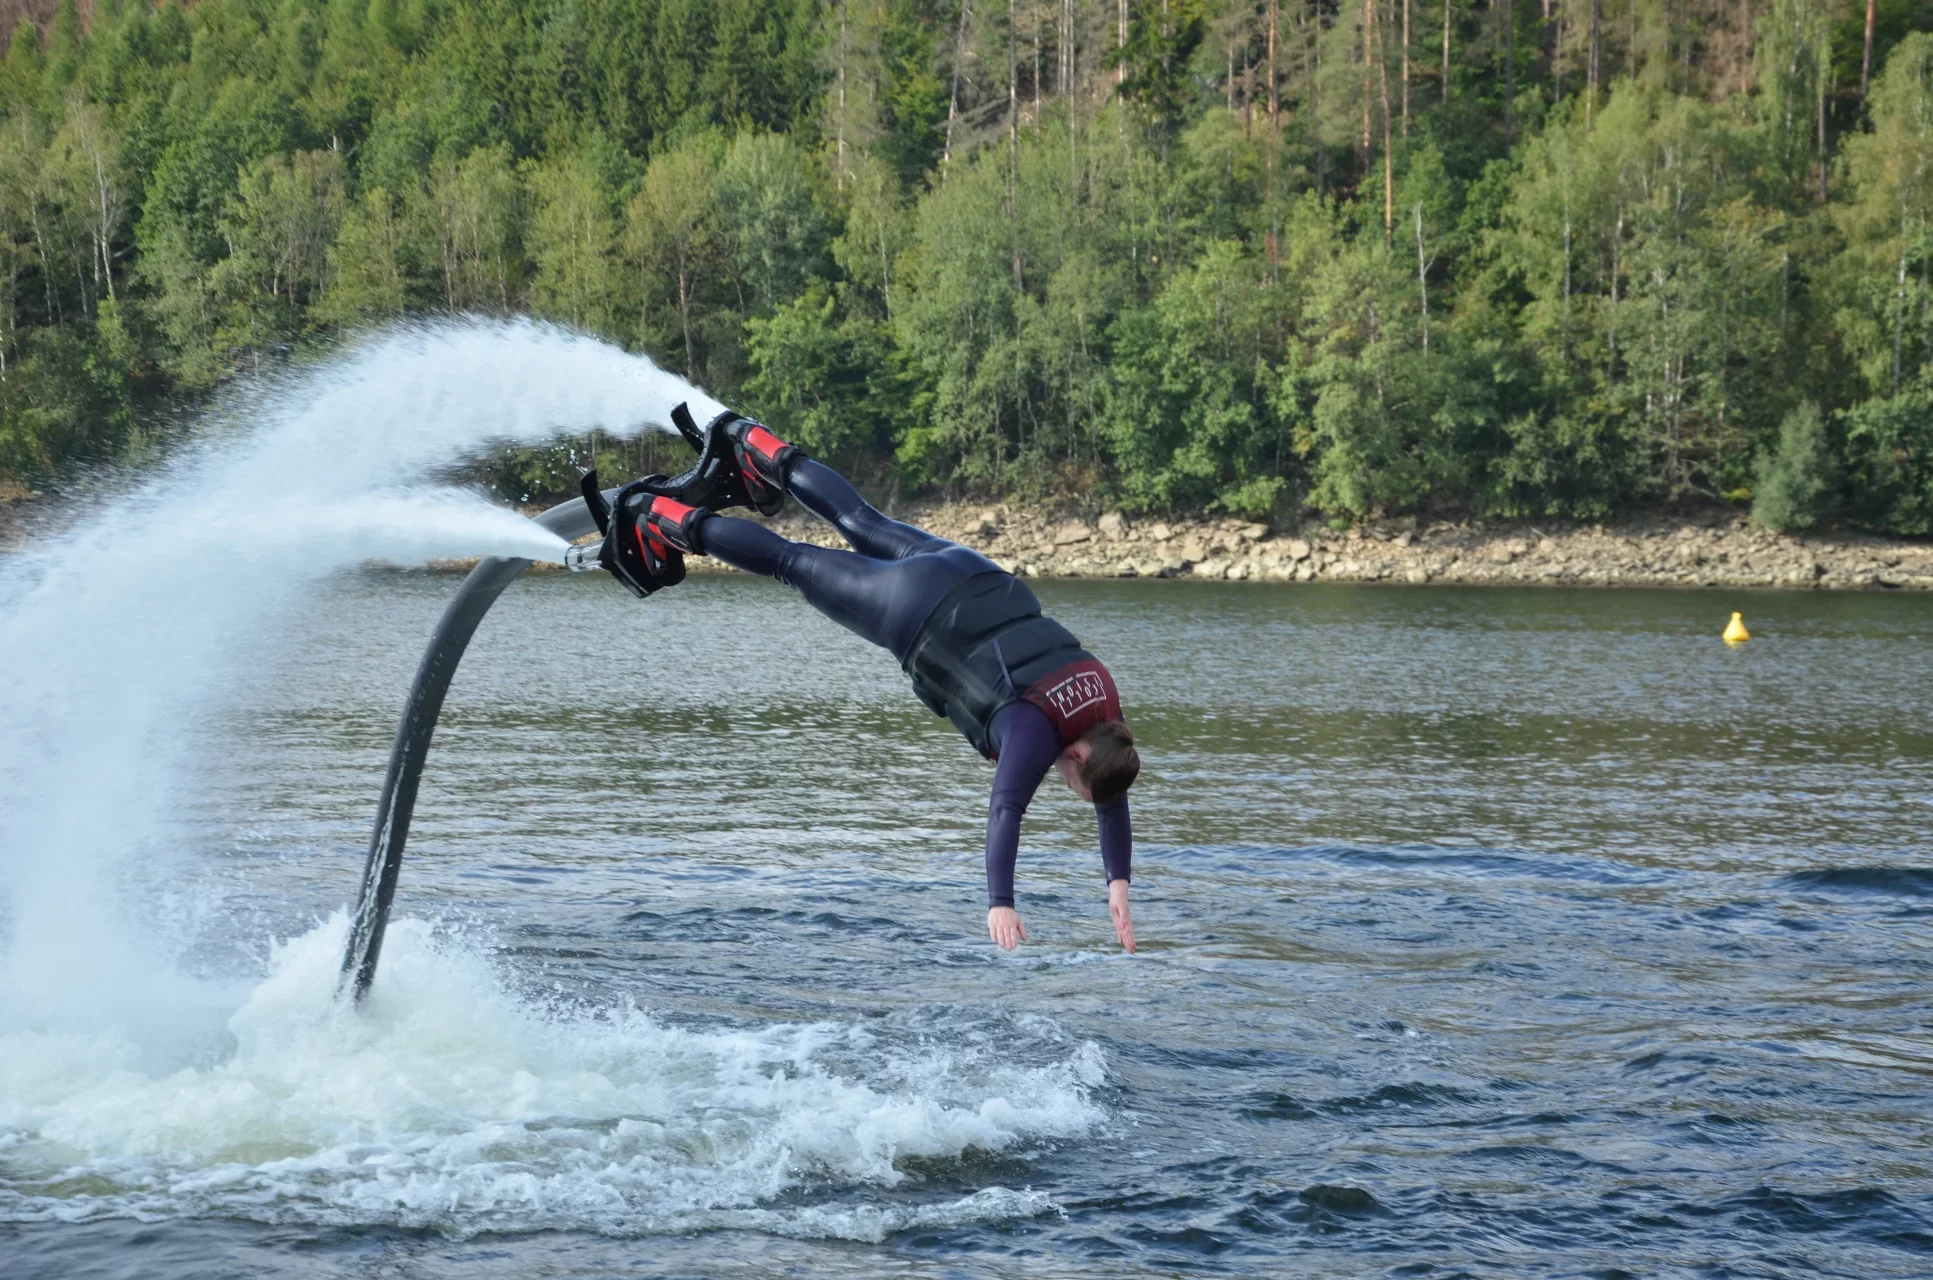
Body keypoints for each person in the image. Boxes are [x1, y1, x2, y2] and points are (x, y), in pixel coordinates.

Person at [581, 406, 1141, 953]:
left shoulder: (1105, 704)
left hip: (971, 571)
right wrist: (1001, 901)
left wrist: (1118, 882)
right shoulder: (1035, 728)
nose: (1065, 784)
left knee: (859, 518)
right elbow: (1005, 810)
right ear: (1076, 757)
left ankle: (760, 448)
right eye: (1071, 783)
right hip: (915, 611)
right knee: (791, 561)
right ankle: (661, 519)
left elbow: (1111, 795)